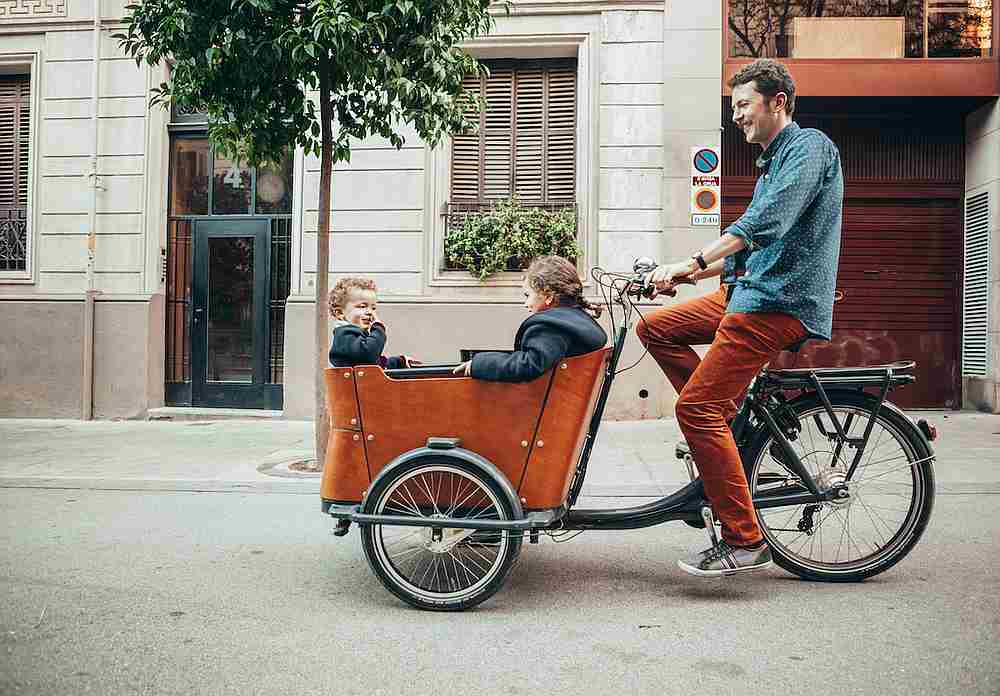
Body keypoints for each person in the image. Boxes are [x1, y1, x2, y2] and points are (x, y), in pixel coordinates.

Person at [637, 59, 844, 577]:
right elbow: (748, 251)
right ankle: (722, 423)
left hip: (776, 302)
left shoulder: (809, 147)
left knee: (696, 411)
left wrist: (693, 262)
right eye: (733, 109)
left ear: (778, 102)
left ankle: (744, 539)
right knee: (654, 327)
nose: (737, 118)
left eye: (744, 105)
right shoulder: (773, 161)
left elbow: (764, 224)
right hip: (746, 291)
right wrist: (683, 277)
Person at [452, 256, 607, 382]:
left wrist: (479, 364)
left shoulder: (551, 328)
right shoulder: (575, 322)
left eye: (528, 295)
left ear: (548, 297)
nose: (526, 303)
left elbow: (529, 365)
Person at [328, 277, 416, 369]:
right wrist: (378, 328)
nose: (370, 312)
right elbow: (368, 355)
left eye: (373, 308)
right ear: (340, 313)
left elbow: (374, 364)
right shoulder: (345, 336)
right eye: (362, 306)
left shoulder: (355, 339)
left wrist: (399, 361)